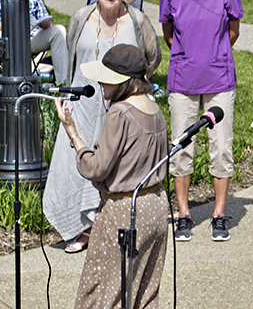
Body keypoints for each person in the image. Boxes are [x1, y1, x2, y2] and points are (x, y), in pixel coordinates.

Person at [44, 0, 161, 254]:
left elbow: (152, 57)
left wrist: (133, 90)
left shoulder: (138, 20)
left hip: (122, 106)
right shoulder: (81, 18)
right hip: (83, 101)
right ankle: (83, 229)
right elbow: (69, 54)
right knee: (79, 160)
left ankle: (107, 224)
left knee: (115, 164)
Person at [54, 44, 168, 308]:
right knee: (144, 290)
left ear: (122, 81)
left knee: (104, 292)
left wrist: (72, 133)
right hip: (156, 208)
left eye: (107, 78)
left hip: (124, 210)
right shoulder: (155, 110)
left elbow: (96, 168)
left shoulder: (120, 112)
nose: (102, 83)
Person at [160, 0, 243, 242]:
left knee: (221, 148)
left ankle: (219, 214)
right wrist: (186, 54)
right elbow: (168, 33)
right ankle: (183, 214)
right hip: (183, 80)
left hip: (219, 78)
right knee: (182, 147)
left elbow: (234, 30)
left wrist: (215, 53)